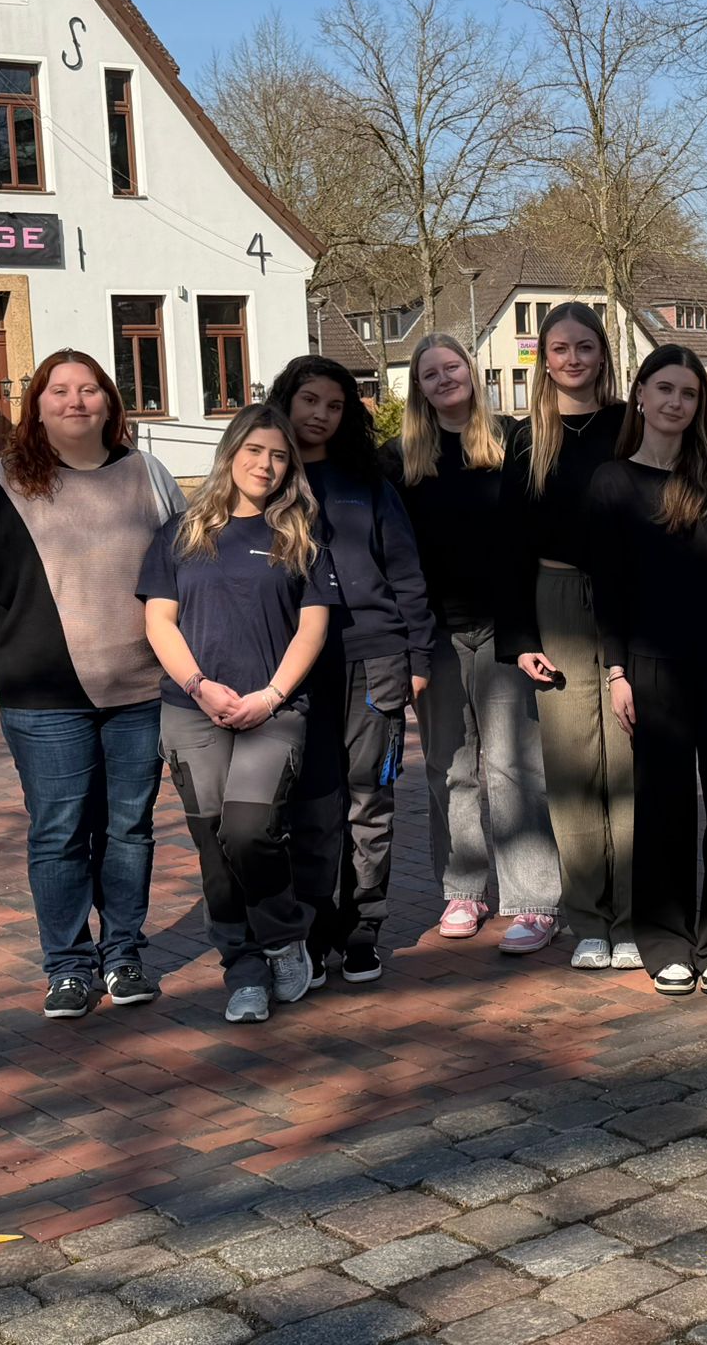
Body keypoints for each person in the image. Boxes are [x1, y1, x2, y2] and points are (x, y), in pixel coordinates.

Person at [0, 350, 184, 1019]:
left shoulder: (148, 476)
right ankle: (69, 967)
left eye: (89, 389)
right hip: (44, 695)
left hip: (140, 689)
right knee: (60, 832)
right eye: (59, 391)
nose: (75, 401)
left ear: (109, 402)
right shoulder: (5, 484)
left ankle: (124, 955)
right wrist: (29, 623)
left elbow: (187, 563)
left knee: (129, 829)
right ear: (38, 407)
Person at [588, 345, 707, 995]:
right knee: (662, 807)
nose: (676, 402)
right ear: (640, 394)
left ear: (701, 405)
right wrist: (617, 671)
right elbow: (609, 589)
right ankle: (666, 940)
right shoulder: (612, 482)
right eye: (665, 389)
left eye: (689, 393)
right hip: (652, 667)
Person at [139, 405, 337, 1023]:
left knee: (249, 831)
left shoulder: (301, 535)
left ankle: (281, 939)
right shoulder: (180, 533)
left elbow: (312, 627)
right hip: (193, 710)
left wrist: (271, 695)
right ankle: (243, 969)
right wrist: (198, 686)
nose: (266, 465)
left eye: (278, 456)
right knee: (213, 844)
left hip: (273, 709)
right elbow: (159, 621)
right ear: (230, 453)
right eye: (255, 451)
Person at [385, 334, 563, 956]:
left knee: (514, 765)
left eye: (452, 367)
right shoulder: (398, 459)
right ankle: (463, 889)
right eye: (429, 373)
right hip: (434, 633)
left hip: (503, 629)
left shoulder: (512, 441)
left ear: (471, 370)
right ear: (418, 387)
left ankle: (535, 900)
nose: (443, 379)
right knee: (449, 766)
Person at [271, 357, 433, 986]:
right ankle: (313, 931)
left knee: (370, 801)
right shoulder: (264, 479)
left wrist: (418, 656)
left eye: (335, 406)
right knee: (311, 805)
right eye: (309, 400)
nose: (321, 415)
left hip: (376, 660)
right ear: (286, 401)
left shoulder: (368, 483)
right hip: (296, 665)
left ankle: (364, 928)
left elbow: (406, 573)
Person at [499, 302, 639, 970]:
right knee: (572, 766)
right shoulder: (528, 439)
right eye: (561, 348)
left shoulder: (630, 427)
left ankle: (634, 916)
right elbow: (509, 546)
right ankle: (589, 919)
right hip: (554, 602)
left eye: (585, 346)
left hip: (628, 600)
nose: (573, 358)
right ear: (544, 359)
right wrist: (520, 637)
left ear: (602, 354)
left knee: (630, 761)